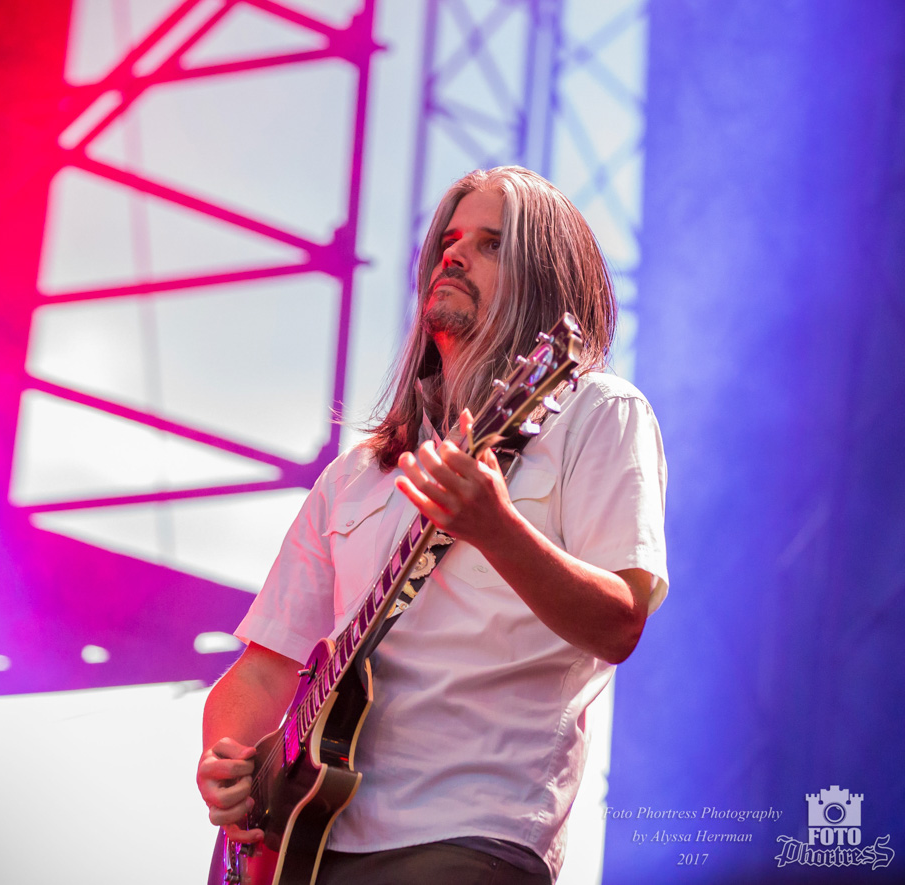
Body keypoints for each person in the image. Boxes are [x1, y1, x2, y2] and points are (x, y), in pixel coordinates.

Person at [197, 166, 668, 884]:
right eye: (448, 239)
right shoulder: (358, 473)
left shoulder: (597, 413)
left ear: (543, 279)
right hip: (303, 840)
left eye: (488, 244)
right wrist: (228, 756)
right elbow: (264, 665)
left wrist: (495, 526)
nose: (452, 255)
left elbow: (620, 623)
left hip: (473, 832)